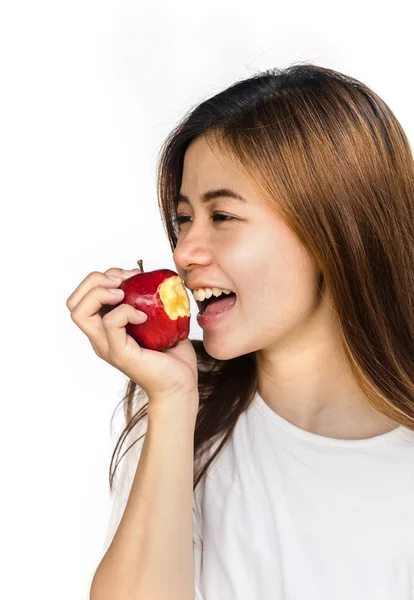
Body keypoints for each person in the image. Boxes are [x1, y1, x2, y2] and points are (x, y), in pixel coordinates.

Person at [67, 63, 414, 600]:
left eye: (222, 216)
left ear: (334, 228)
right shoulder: (182, 411)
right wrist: (174, 399)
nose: (184, 253)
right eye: (184, 219)